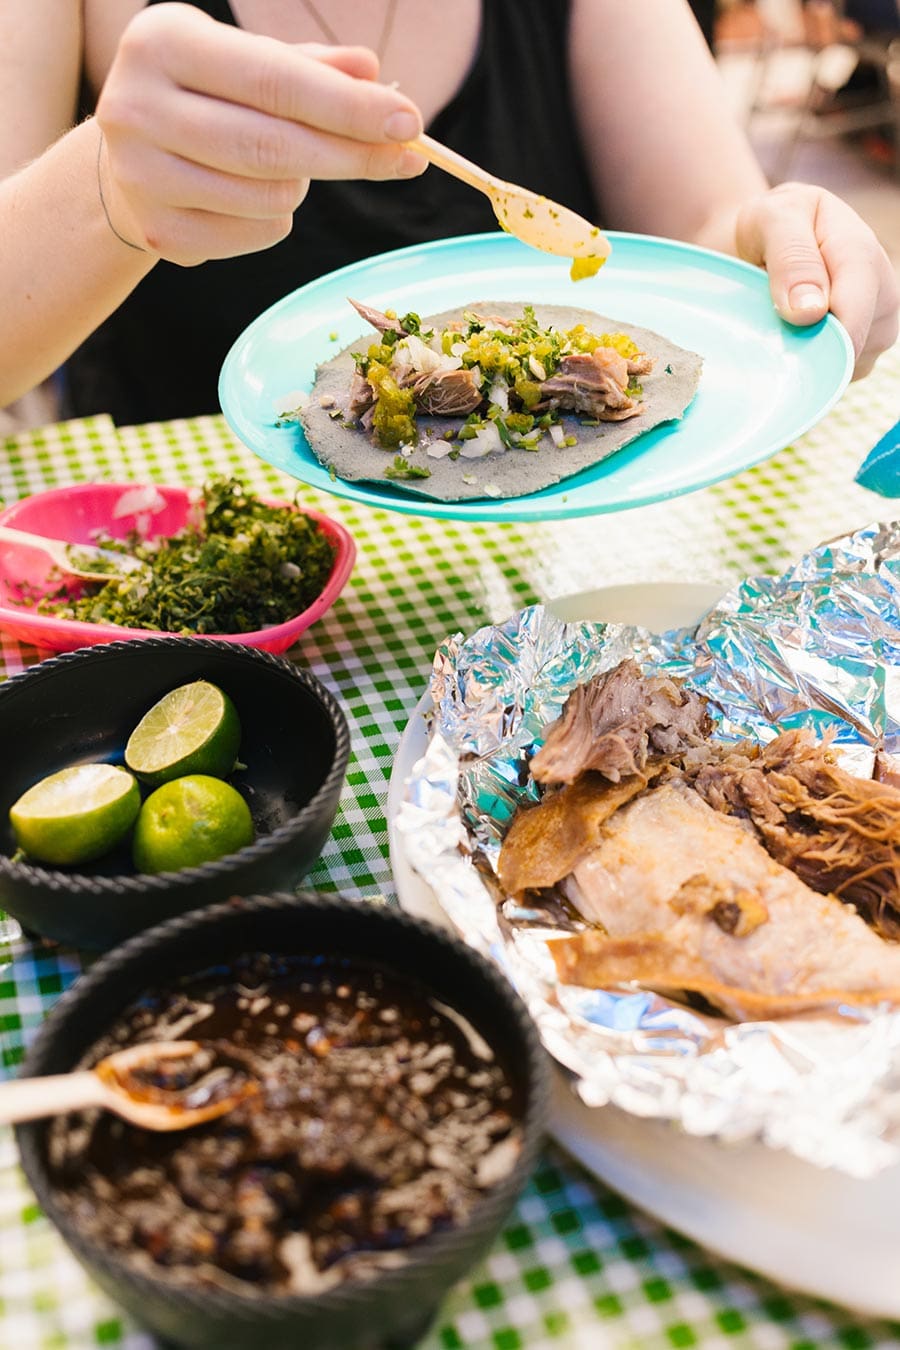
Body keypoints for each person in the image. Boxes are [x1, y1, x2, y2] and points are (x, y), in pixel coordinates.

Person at [0, 0, 896, 427]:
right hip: (228, 603)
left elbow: (705, 229)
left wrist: (776, 246)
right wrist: (107, 193)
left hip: (558, 577)